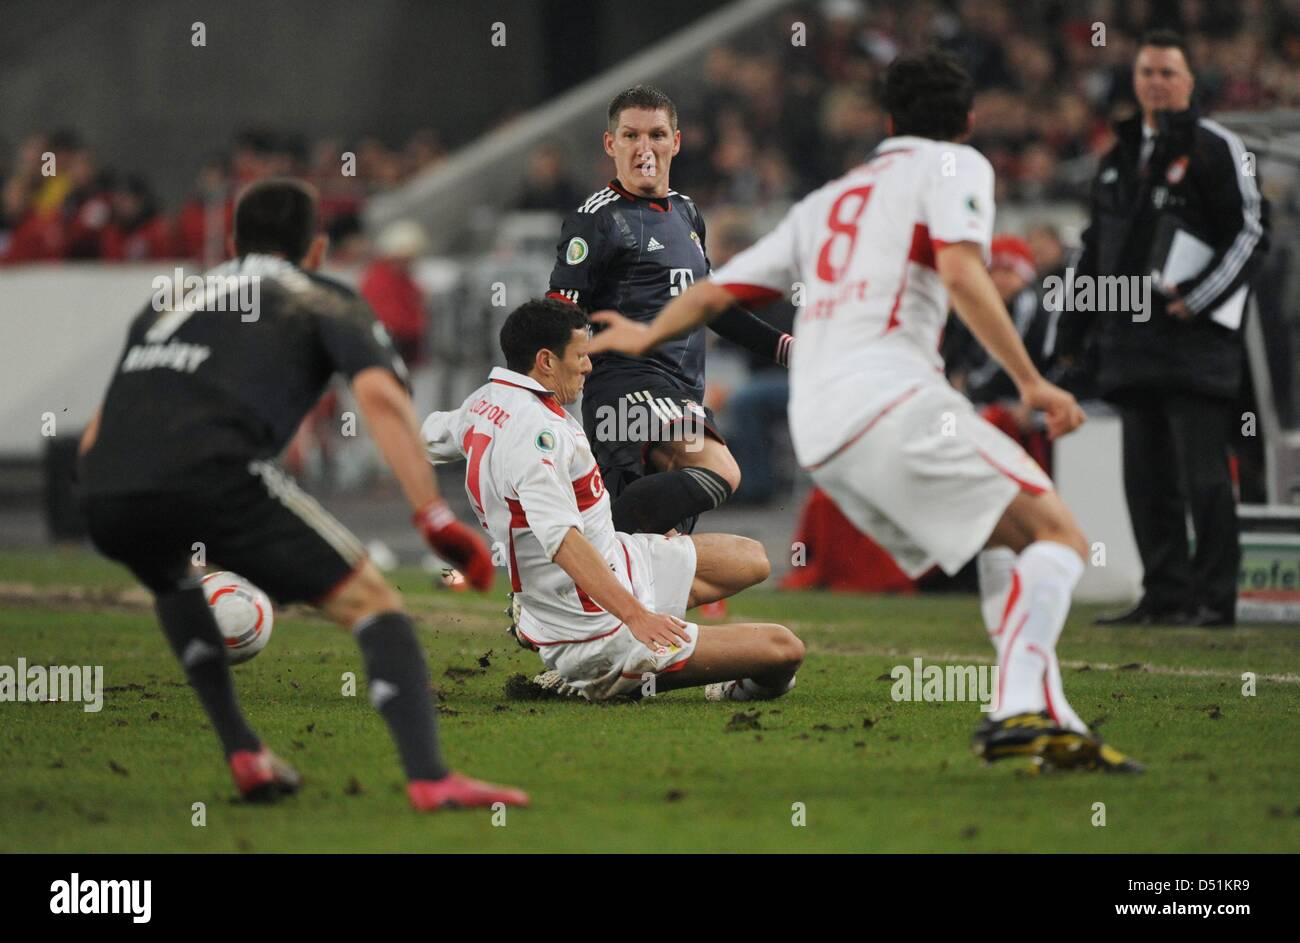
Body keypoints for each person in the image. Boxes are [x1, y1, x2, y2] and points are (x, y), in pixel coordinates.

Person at [589, 51, 1142, 772]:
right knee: (1063, 538)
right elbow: (963, 270)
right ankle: (1016, 705)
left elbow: (719, 292)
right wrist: (1032, 381)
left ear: (886, 121)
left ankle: (1051, 717)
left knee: (1008, 540)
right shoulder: (955, 166)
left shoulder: (830, 198)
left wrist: (643, 330)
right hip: (893, 400)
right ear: (968, 123)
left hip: (822, 426)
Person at [77, 178, 527, 811]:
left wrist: (103, 488)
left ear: (233, 242)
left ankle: (244, 753)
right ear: (316, 249)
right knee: (377, 605)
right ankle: (431, 778)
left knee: (173, 580)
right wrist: (431, 514)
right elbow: (380, 400)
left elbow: (99, 427)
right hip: (213, 475)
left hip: (106, 488)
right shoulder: (321, 298)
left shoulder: (167, 301)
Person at [421, 298, 803, 703]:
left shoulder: (485, 401)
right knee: (784, 651)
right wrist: (636, 615)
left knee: (753, 558)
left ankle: (604, 646)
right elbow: (563, 540)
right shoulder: (538, 435)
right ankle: (610, 676)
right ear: (546, 361)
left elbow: (427, 437)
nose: (589, 366)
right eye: (582, 356)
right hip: (593, 627)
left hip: (619, 562)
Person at [1063, 30, 1270, 629]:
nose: (1156, 82)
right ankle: (1165, 593)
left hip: (1196, 346)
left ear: (1188, 81)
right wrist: (1072, 335)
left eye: (1168, 73)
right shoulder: (1119, 154)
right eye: (1147, 72)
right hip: (1129, 346)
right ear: (1135, 81)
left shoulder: (1217, 146)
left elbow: (1253, 230)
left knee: (1203, 477)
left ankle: (1214, 598)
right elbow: (1093, 248)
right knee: (1146, 479)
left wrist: (1199, 298)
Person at [546, 85, 793, 536]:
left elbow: (710, 307)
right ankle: (577, 553)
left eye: (657, 135)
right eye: (631, 136)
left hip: (682, 391)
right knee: (721, 472)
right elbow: (560, 314)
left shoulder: (687, 213)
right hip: (626, 390)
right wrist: (543, 395)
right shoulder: (595, 219)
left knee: (660, 549)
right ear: (610, 144)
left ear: (676, 143)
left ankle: (584, 561)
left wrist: (786, 350)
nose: (645, 148)